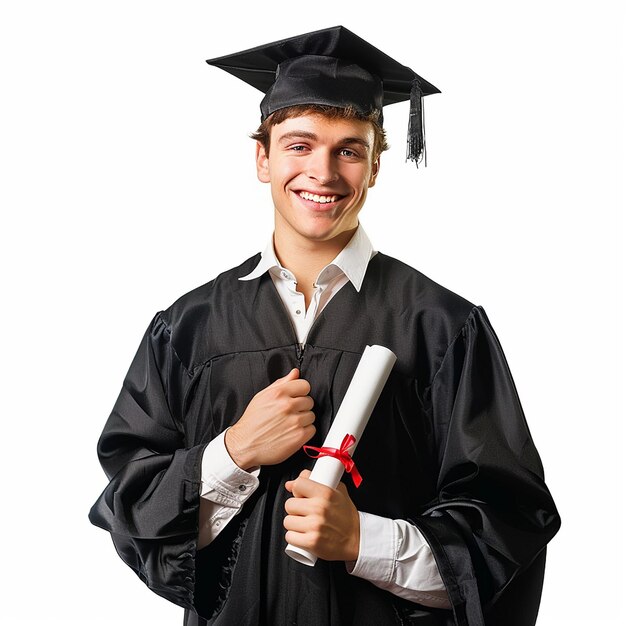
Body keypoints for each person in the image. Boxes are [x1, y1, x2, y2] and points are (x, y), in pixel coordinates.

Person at [89, 26, 560, 626]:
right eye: (299, 145)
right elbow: (136, 511)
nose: (324, 172)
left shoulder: (442, 326)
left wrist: (362, 541)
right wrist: (233, 453)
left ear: (375, 165)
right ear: (262, 158)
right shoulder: (187, 328)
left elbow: (509, 523)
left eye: (349, 149)